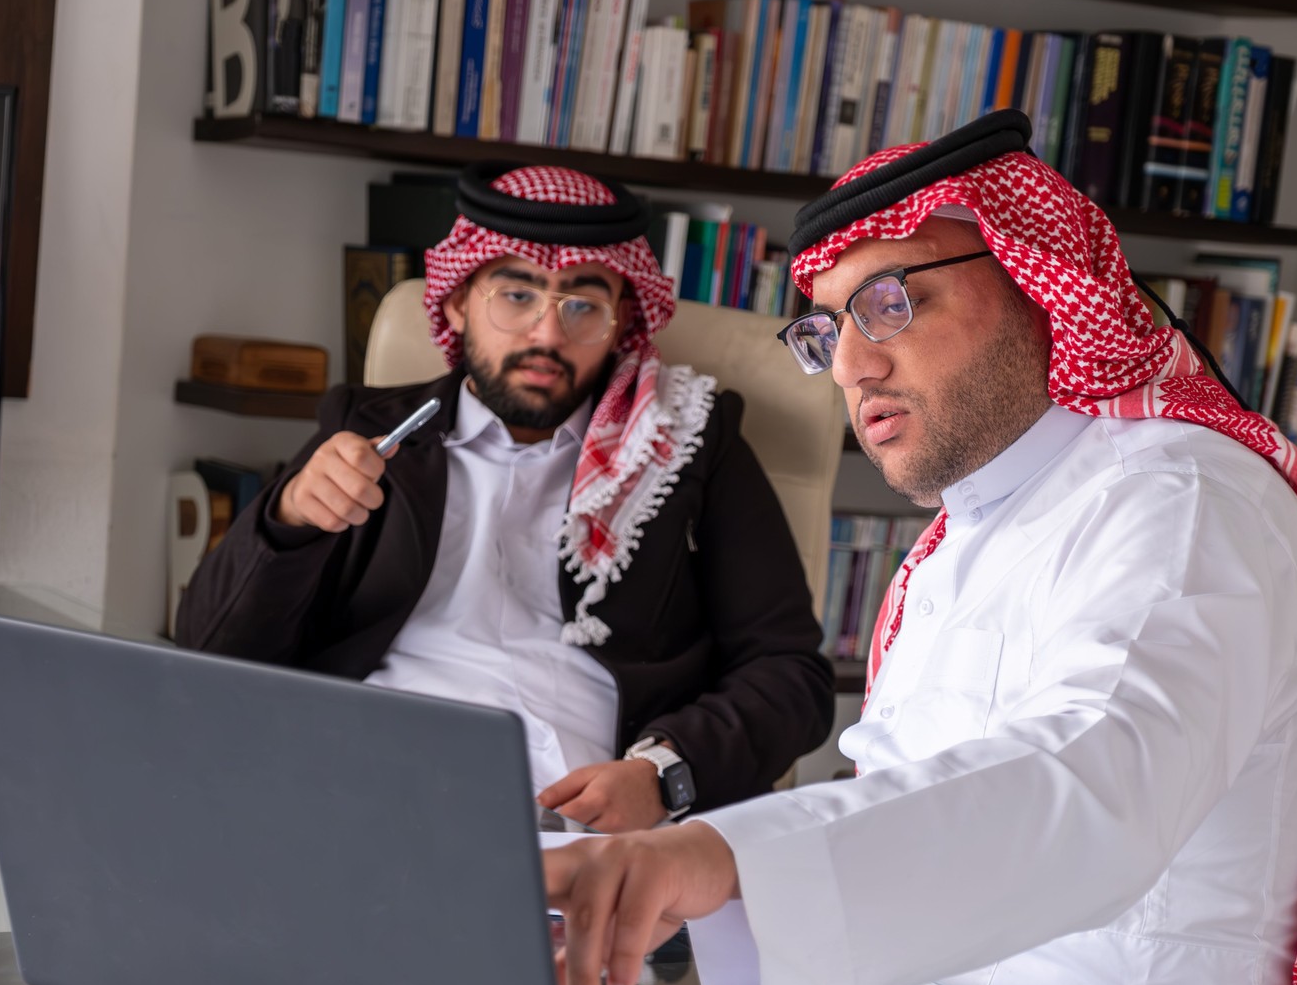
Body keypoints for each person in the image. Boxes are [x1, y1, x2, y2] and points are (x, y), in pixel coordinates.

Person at [544, 111, 1297, 985]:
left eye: (894, 300)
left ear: (1042, 281)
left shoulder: (1182, 501)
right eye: (828, 327)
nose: (851, 363)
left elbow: (1092, 782)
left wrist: (713, 859)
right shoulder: (969, 532)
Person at [177, 163, 833, 830]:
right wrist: (288, 520)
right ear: (459, 301)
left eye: (583, 305)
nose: (547, 336)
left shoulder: (687, 441)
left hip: (567, 818)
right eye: (516, 296)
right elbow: (210, 650)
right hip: (358, 777)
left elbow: (789, 675)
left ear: (620, 322)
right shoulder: (369, 431)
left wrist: (665, 774)